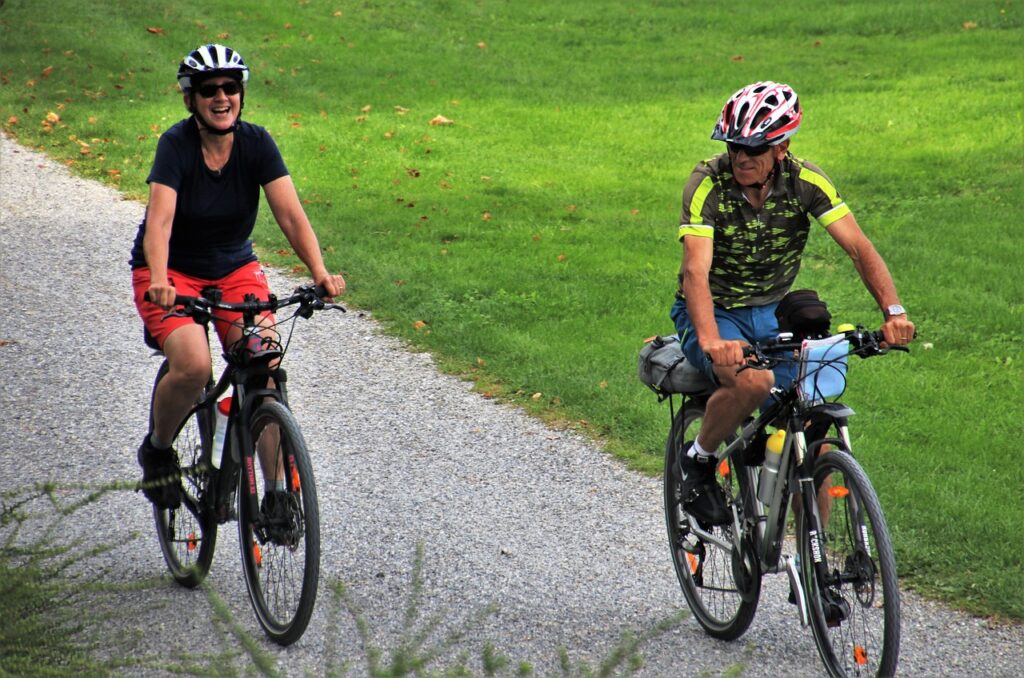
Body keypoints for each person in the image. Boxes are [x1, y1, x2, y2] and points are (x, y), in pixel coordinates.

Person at [670, 81, 915, 525]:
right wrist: (710, 340)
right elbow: (695, 273)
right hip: (713, 309)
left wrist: (893, 312)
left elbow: (858, 247)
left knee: (813, 435)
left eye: (755, 148)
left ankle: (816, 572)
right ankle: (699, 461)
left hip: (773, 309)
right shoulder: (707, 183)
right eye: (734, 146)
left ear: (781, 147)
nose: (742, 157)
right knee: (753, 382)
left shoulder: (805, 181)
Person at [130, 43, 345, 509]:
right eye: (210, 90)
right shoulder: (176, 146)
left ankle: (276, 494)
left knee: (263, 363)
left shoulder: (257, 143)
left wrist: (320, 272)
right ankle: (159, 450)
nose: (221, 97)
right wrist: (161, 278)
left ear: (241, 94)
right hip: (170, 273)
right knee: (194, 366)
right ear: (191, 99)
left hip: (234, 267)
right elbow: (160, 222)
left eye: (231, 87)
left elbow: (290, 214)